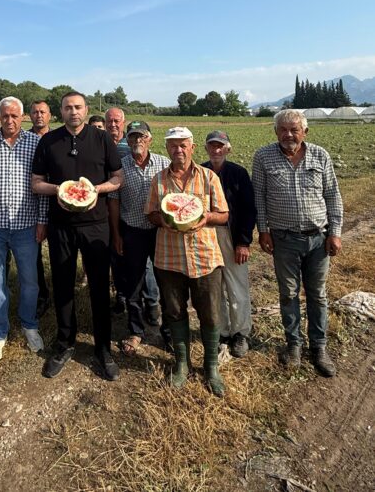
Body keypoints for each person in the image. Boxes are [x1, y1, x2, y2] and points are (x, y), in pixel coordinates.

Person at [32, 91, 123, 381]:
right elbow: (36, 183)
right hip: (61, 226)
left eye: (78, 107)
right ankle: (64, 344)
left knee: (98, 286)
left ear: (86, 110)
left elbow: (117, 177)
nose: (73, 112)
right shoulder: (48, 141)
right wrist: (59, 190)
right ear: (61, 111)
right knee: (62, 284)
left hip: (96, 225)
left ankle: (103, 348)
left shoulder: (101, 139)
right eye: (68, 107)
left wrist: (97, 190)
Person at [252, 109, 343, 377]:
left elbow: (332, 195)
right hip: (283, 239)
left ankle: (319, 346)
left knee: (317, 294)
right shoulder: (263, 157)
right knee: (288, 294)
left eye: (294, 129)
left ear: (305, 132)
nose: (288, 134)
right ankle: (293, 344)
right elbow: (259, 197)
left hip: (318, 238)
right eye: (283, 129)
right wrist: (263, 230)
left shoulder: (320, 155)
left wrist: (335, 232)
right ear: (275, 131)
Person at [146, 127, 229, 396]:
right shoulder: (158, 180)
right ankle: (181, 363)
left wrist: (205, 218)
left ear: (192, 147)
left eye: (183, 145)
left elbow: (224, 214)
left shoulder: (209, 177)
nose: (178, 150)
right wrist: (166, 220)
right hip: (169, 258)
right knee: (173, 311)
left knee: (210, 312)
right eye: (172, 146)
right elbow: (151, 215)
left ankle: (211, 366)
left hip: (205, 256)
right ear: (167, 148)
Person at [0, 97, 47, 363]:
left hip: (26, 225)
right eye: (5, 116)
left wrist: (42, 221)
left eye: (15, 116)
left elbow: (42, 190)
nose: (10, 121)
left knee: (29, 281)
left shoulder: (35, 143)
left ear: (23, 116)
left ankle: (29, 324)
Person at [108, 120, 170, 356]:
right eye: (133, 137)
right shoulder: (120, 168)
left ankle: (168, 331)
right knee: (133, 284)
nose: (137, 141)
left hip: (160, 232)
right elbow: (114, 203)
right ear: (128, 140)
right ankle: (136, 331)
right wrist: (116, 235)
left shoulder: (164, 164)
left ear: (150, 139)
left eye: (141, 137)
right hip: (132, 231)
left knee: (165, 281)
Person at [202, 130, 256, 358]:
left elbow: (248, 210)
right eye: (212, 146)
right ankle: (222, 331)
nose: (216, 150)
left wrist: (243, 241)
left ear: (227, 149)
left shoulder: (238, 173)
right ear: (206, 148)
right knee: (214, 287)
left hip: (230, 236)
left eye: (220, 146)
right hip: (206, 236)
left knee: (237, 286)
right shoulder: (200, 172)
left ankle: (241, 333)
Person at [29, 100, 52, 318]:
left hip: (55, 203)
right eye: (35, 112)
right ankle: (41, 295)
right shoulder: (25, 139)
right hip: (29, 206)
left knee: (56, 254)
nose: (39, 116)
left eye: (42, 112)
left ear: (50, 115)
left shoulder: (57, 139)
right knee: (33, 256)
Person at [105, 107, 129, 314]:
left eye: (117, 121)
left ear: (123, 122)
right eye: (109, 121)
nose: (113, 125)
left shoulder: (129, 144)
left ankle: (143, 298)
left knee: (132, 255)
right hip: (105, 207)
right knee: (114, 253)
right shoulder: (100, 142)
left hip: (129, 207)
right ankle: (120, 296)